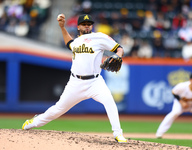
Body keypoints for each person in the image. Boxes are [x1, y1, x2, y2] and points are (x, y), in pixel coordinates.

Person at [22, 13, 127, 143]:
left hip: (95, 82)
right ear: (78, 27)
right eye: (84, 24)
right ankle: (34, 122)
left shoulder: (99, 37)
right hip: (75, 83)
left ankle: (118, 134)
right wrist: (62, 27)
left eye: (89, 24)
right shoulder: (76, 42)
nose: (87, 26)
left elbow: (119, 48)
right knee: (58, 110)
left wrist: (118, 56)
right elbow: (69, 43)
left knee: (110, 103)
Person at [156, 73, 192, 138]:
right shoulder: (182, 86)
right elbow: (173, 92)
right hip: (180, 102)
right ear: (190, 80)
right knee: (175, 112)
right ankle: (159, 133)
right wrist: (181, 102)